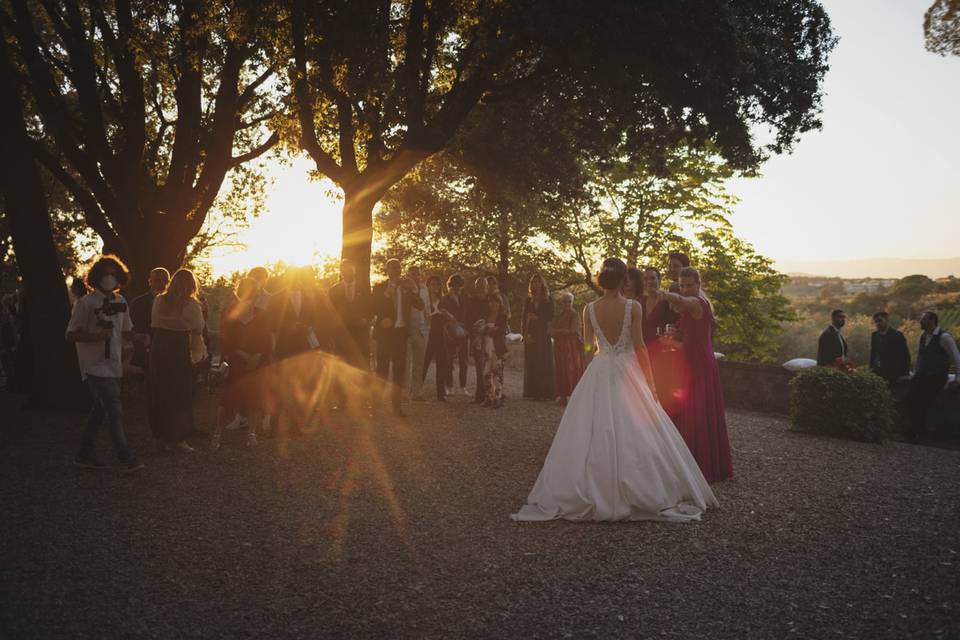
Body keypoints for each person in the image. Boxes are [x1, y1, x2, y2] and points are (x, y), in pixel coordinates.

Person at [512, 258, 716, 522]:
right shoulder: (632, 307)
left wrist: (588, 374)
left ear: (601, 279)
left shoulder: (588, 309)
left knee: (591, 430)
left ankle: (589, 484)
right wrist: (650, 381)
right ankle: (639, 485)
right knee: (636, 427)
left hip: (599, 368)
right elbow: (640, 346)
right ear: (623, 280)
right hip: (626, 370)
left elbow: (586, 347)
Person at [66, 254, 144, 472]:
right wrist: (96, 336)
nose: (109, 278)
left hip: (113, 364)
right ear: (96, 277)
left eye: (113, 274)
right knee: (114, 407)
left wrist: (139, 337)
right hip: (94, 364)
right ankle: (126, 456)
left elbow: (126, 331)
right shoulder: (86, 303)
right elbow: (70, 334)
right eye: (105, 274)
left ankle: (84, 452)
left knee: (100, 409)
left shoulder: (120, 302)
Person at [657, 267, 733, 483]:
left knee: (697, 414)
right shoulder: (692, 306)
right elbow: (689, 334)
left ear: (699, 285)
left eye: (689, 285)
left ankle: (699, 467)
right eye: (682, 285)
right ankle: (697, 463)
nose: (685, 289)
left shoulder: (697, 302)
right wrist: (676, 334)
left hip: (698, 364)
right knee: (697, 413)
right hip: (697, 362)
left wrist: (664, 294)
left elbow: (689, 346)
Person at [211, 277, 271, 449]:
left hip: (257, 361)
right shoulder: (229, 311)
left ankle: (251, 433)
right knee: (228, 398)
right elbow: (225, 339)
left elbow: (267, 338)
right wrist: (243, 355)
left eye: (255, 291)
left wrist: (258, 356)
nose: (252, 294)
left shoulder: (261, 312)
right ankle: (217, 433)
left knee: (255, 397)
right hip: (237, 360)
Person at [150, 268, 205, 453]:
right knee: (180, 394)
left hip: (159, 345)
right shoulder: (192, 304)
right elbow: (198, 328)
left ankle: (160, 436)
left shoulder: (160, 299)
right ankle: (178, 439)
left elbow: (154, 323)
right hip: (179, 347)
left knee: (161, 391)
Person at [371, 258, 423, 416]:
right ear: (387, 270)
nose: (396, 270)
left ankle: (396, 407)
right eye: (393, 268)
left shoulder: (407, 288)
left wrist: (414, 289)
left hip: (401, 333)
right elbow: (373, 307)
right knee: (382, 371)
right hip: (385, 334)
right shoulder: (380, 287)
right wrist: (387, 293)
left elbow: (420, 306)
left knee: (399, 371)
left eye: (398, 267)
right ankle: (376, 407)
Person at [905, 311, 960, 443]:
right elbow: (920, 358)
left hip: (936, 377)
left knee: (923, 403)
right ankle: (915, 432)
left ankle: (919, 434)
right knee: (910, 399)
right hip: (922, 376)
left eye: (923, 319)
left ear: (932, 321)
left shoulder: (945, 337)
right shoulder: (923, 336)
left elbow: (956, 358)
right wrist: (914, 372)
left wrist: (958, 379)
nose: (921, 321)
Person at [639, 266, 683, 420]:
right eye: (646, 278)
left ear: (659, 280)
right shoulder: (639, 301)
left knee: (661, 387)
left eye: (652, 278)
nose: (649, 281)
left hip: (662, 352)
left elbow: (676, 323)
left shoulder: (666, 301)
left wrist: (672, 334)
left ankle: (663, 422)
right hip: (643, 350)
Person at [328, 259, 370, 369]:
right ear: (341, 272)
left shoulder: (365, 288)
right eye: (345, 269)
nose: (348, 272)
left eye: (350, 269)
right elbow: (330, 312)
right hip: (342, 336)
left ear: (354, 270)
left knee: (360, 367)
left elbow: (371, 308)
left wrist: (365, 319)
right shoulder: (333, 290)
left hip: (360, 336)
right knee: (343, 368)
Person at [522, 274, 556, 400]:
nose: (536, 284)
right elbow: (524, 318)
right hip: (530, 334)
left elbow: (551, 318)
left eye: (538, 281)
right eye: (534, 282)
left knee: (543, 363)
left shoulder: (548, 300)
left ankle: (544, 392)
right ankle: (533, 392)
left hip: (543, 335)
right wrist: (524, 334)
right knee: (532, 362)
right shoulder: (528, 300)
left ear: (542, 284)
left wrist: (537, 318)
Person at [130, 267, 170, 373]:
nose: (161, 284)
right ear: (150, 282)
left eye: (165, 280)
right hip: (145, 353)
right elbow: (133, 328)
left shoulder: (174, 304)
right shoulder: (138, 303)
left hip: (168, 353)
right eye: (157, 280)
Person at [548, 292, 584, 405]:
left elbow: (573, 331)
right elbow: (550, 330)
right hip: (559, 346)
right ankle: (563, 396)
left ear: (572, 302)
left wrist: (558, 331)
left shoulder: (575, 315)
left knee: (571, 371)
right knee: (560, 370)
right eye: (564, 301)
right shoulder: (559, 316)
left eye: (569, 301)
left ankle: (573, 397)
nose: (567, 304)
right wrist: (560, 331)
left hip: (570, 347)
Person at [422, 275, 452, 401]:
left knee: (442, 364)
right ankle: (417, 389)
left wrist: (447, 315)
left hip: (440, 335)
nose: (435, 287)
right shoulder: (424, 299)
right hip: (428, 334)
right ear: (428, 285)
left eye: (437, 284)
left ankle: (441, 394)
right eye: (432, 284)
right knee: (424, 363)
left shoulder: (444, 300)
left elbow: (450, 318)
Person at [477, 293, 509, 408]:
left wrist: (487, 329)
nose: (492, 304)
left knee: (497, 373)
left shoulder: (503, 317)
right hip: (486, 347)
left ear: (500, 303)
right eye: (490, 302)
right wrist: (488, 329)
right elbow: (479, 329)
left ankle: (497, 398)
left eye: (495, 302)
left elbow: (499, 330)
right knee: (486, 373)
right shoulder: (486, 315)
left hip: (497, 348)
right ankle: (488, 397)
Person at [440, 274, 469, 396]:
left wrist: (465, 327)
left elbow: (468, 314)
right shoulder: (444, 299)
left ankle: (463, 387)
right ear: (450, 286)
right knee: (448, 360)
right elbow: (442, 315)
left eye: (459, 286)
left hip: (463, 331)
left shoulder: (464, 298)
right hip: (450, 332)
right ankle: (449, 386)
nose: (457, 289)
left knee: (464, 360)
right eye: (454, 286)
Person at [406, 265, 431, 401]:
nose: (415, 276)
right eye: (412, 274)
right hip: (408, 330)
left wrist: (427, 328)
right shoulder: (405, 288)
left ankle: (417, 392)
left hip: (422, 330)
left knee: (419, 363)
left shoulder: (424, 289)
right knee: (406, 363)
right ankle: (404, 392)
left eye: (417, 274)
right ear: (408, 275)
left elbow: (427, 310)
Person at [869, 311, 911, 385]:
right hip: (877, 373)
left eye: (880, 321)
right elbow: (873, 353)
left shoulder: (897, 335)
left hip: (893, 374)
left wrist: (905, 374)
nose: (878, 323)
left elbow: (905, 355)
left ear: (887, 320)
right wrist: (871, 370)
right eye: (876, 322)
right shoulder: (874, 335)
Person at [466, 276, 490, 403]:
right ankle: (480, 395)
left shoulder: (490, 301)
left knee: (487, 366)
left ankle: (488, 394)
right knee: (479, 367)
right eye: (479, 286)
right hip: (475, 336)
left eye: (483, 286)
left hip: (487, 336)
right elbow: (467, 318)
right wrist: (474, 332)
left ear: (487, 288)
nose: (481, 288)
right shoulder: (471, 301)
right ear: (476, 288)